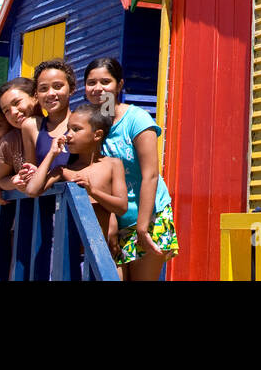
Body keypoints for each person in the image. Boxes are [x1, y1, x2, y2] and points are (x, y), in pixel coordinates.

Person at [82, 57, 178, 280]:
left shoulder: (136, 119)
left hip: (149, 218)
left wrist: (143, 228)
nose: (98, 89)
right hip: (113, 222)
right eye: (91, 82)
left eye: (105, 82)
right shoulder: (91, 124)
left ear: (119, 85)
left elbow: (150, 175)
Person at [24, 101, 127, 238]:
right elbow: (32, 190)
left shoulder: (113, 164)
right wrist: (51, 154)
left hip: (98, 253)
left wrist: (93, 191)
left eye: (76, 129)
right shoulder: (63, 170)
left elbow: (121, 207)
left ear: (97, 135)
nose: (68, 135)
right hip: (69, 253)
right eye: (68, 129)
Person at [21, 58, 74, 176]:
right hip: (45, 194)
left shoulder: (84, 123)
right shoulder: (31, 126)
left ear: (72, 88)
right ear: (36, 94)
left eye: (58, 86)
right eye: (43, 89)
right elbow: (32, 171)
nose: (50, 93)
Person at [0, 77, 36, 191]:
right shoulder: (9, 141)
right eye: (6, 111)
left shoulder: (54, 127)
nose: (13, 112)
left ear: (35, 97)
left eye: (17, 102)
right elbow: (2, 180)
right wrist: (14, 181)